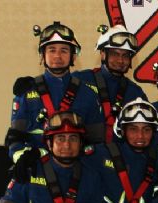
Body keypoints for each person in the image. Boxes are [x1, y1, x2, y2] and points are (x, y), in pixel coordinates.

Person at [6, 21, 104, 165]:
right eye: (52, 50)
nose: (57, 56)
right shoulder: (25, 92)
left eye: (64, 50)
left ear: (73, 56)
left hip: (76, 173)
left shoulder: (88, 94)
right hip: (35, 168)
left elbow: (97, 143)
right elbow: (15, 138)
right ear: (42, 55)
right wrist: (22, 160)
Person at [75, 24, 148, 143]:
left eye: (125, 55)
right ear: (103, 54)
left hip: (121, 158)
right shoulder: (80, 80)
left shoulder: (135, 92)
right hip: (85, 157)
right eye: (115, 54)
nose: (120, 60)